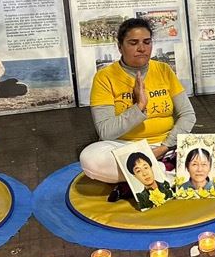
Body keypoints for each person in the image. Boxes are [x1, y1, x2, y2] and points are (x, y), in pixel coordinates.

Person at [79, 18, 196, 201]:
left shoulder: (164, 70)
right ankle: (166, 172)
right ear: (120, 47)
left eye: (147, 42)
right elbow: (106, 131)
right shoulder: (104, 77)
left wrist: (165, 146)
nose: (141, 48)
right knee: (91, 159)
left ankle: (141, 178)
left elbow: (188, 115)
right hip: (124, 148)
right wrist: (139, 106)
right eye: (133, 43)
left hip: (166, 145)